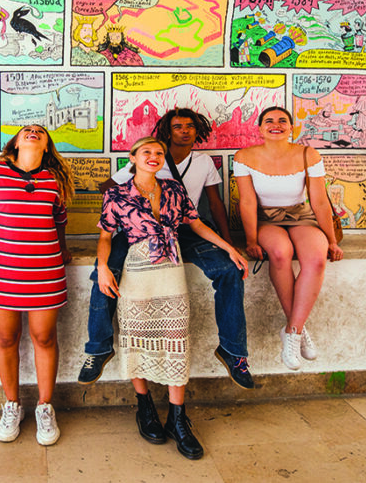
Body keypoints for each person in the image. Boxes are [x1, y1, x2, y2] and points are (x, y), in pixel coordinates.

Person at [80, 108, 254, 390]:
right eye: (177, 127)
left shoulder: (203, 162)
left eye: (189, 126)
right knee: (103, 273)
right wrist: (130, 185)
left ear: (198, 131)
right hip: (138, 232)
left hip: (182, 229)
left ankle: (233, 351)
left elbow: (214, 205)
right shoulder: (147, 156)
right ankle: (98, 348)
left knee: (229, 269)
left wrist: (228, 243)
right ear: (167, 131)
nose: (184, 131)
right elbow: (108, 189)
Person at [97, 137, 248, 460]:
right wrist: (102, 267)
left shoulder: (173, 190)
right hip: (136, 271)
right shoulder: (117, 193)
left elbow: (195, 224)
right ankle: (145, 407)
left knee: (175, 339)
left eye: (158, 153)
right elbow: (106, 235)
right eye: (147, 152)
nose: (153, 157)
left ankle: (178, 419)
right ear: (133, 158)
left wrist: (228, 247)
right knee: (135, 337)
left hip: (171, 269)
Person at [0, 125, 73, 446]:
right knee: (5, 337)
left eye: (40, 132)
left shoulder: (54, 179)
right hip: (2, 271)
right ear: (14, 143)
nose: (32, 132)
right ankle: (12, 405)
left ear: (47, 146)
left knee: (44, 337)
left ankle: (44, 406)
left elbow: (59, 221)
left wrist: (64, 247)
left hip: (45, 270)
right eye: (27, 130)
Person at [233, 106, 343, 371]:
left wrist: (331, 240)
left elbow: (318, 201)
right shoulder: (244, 156)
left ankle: (292, 331)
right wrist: (251, 240)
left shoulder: (308, 154)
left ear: (291, 127)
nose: (276, 125)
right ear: (259, 128)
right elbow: (247, 202)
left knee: (316, 259)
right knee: (280, 253)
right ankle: (298, 329)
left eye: (283, 121)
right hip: (264, 219)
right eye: (269, 121)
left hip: (301, 216)